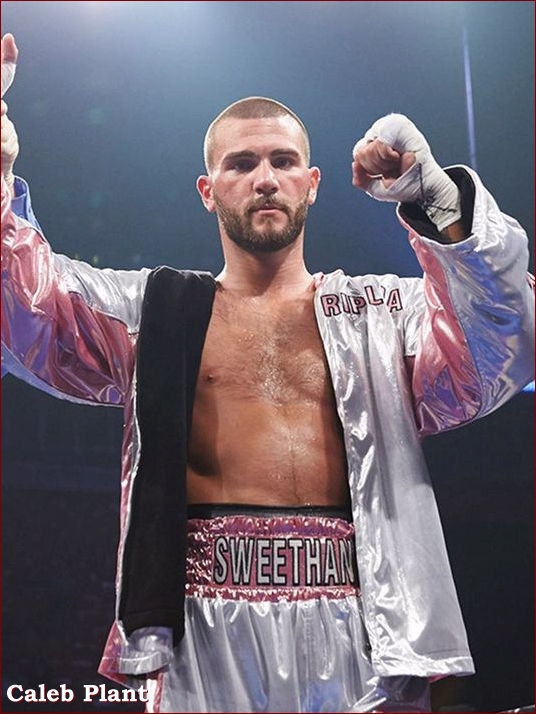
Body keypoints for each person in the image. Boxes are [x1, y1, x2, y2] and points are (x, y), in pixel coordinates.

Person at [1, 32, 534, 714]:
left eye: (283, 161)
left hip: (365, 623)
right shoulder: (150, 313)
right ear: (207, 190)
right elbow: (27, 310)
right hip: (201, 628)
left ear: (312, 183)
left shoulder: (381, 316)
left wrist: (438, 199)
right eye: (241, 163)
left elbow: (506, 339)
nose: (265, 178)